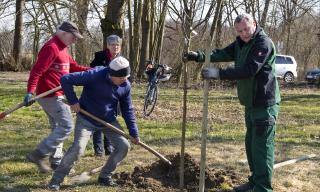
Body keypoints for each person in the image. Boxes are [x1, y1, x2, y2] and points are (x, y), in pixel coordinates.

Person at [184, 13, 281, 192]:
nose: (244, 33)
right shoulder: (240, 43)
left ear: (255, 23)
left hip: (264, 104)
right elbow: (221, 53)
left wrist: (219, 74)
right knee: (251, 146)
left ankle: (262, 188)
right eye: (239, 31)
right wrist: (197, 56)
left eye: (246, 28)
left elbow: (249, 70)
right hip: (250, 104)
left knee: (262, 148)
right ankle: (254, 182)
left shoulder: (263, 43)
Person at [48, 56, 140, 190]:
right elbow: (66, 79)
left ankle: (105, 176)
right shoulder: (95, 74)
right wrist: (73, 101)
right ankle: (56, 179)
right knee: (78, 149)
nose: (124, 81)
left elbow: (127, 110)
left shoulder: (125, 85)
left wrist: (134, 132)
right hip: (86, 119)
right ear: (111, 74)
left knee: (123, 146)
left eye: (126, 77)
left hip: (108, 120)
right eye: (121, 78)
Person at [24, 21, 90, 173]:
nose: (75, 40)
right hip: (49, 95)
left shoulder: (63, 48)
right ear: (63, 33)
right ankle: (39, 154)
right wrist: (30, 91)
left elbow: (74, 67)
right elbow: (37, 71)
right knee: (67, 126)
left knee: (58, 127)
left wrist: (93, 71)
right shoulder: (51, 47)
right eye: (73, 37)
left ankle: (56, 161)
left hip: (58, 94)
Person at [90, 34, 122, 156]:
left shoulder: (122, 60)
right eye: (113, 44)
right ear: (108, 46)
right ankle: (98, 150)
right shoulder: (99, 56)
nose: (115, 47)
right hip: (99, 93)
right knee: (98, 122)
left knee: (109, 121)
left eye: (118, 45)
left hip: (114, 95)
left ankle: (109, 148)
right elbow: (92, 71)